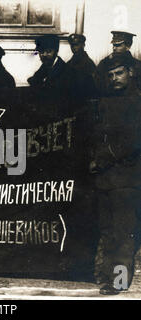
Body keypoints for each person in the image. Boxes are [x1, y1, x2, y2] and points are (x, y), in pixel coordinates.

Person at [90, 55, 141, 295]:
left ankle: (119, 282)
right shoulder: (107, 101)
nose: (114, 79)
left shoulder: (137, 103)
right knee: (108, 232)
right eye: (110, 75)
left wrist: (101, 159)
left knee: (124, 235)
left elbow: (132, 143)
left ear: (131, 72)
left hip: (128, 181)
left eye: (119, 73)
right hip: (106, 180)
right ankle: (107, 276)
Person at [27, 35, 81, 115]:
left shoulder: (67, 71)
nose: (44, 55)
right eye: (41, 52)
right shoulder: (44, 68)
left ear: (56, 52)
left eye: (48, 51)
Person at [97, 31, 141, 95]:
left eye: (118, 45)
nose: (114, 48)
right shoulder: (104, 64)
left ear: (128, 46)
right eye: (113, 45)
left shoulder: (137, 65)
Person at [67, 33, 99, 98]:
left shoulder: (88, 63)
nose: (74, 48)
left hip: (83, 100)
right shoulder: (69, 63)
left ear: (83, 45)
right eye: (72, 45)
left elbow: (94, 87)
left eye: (76, 45)